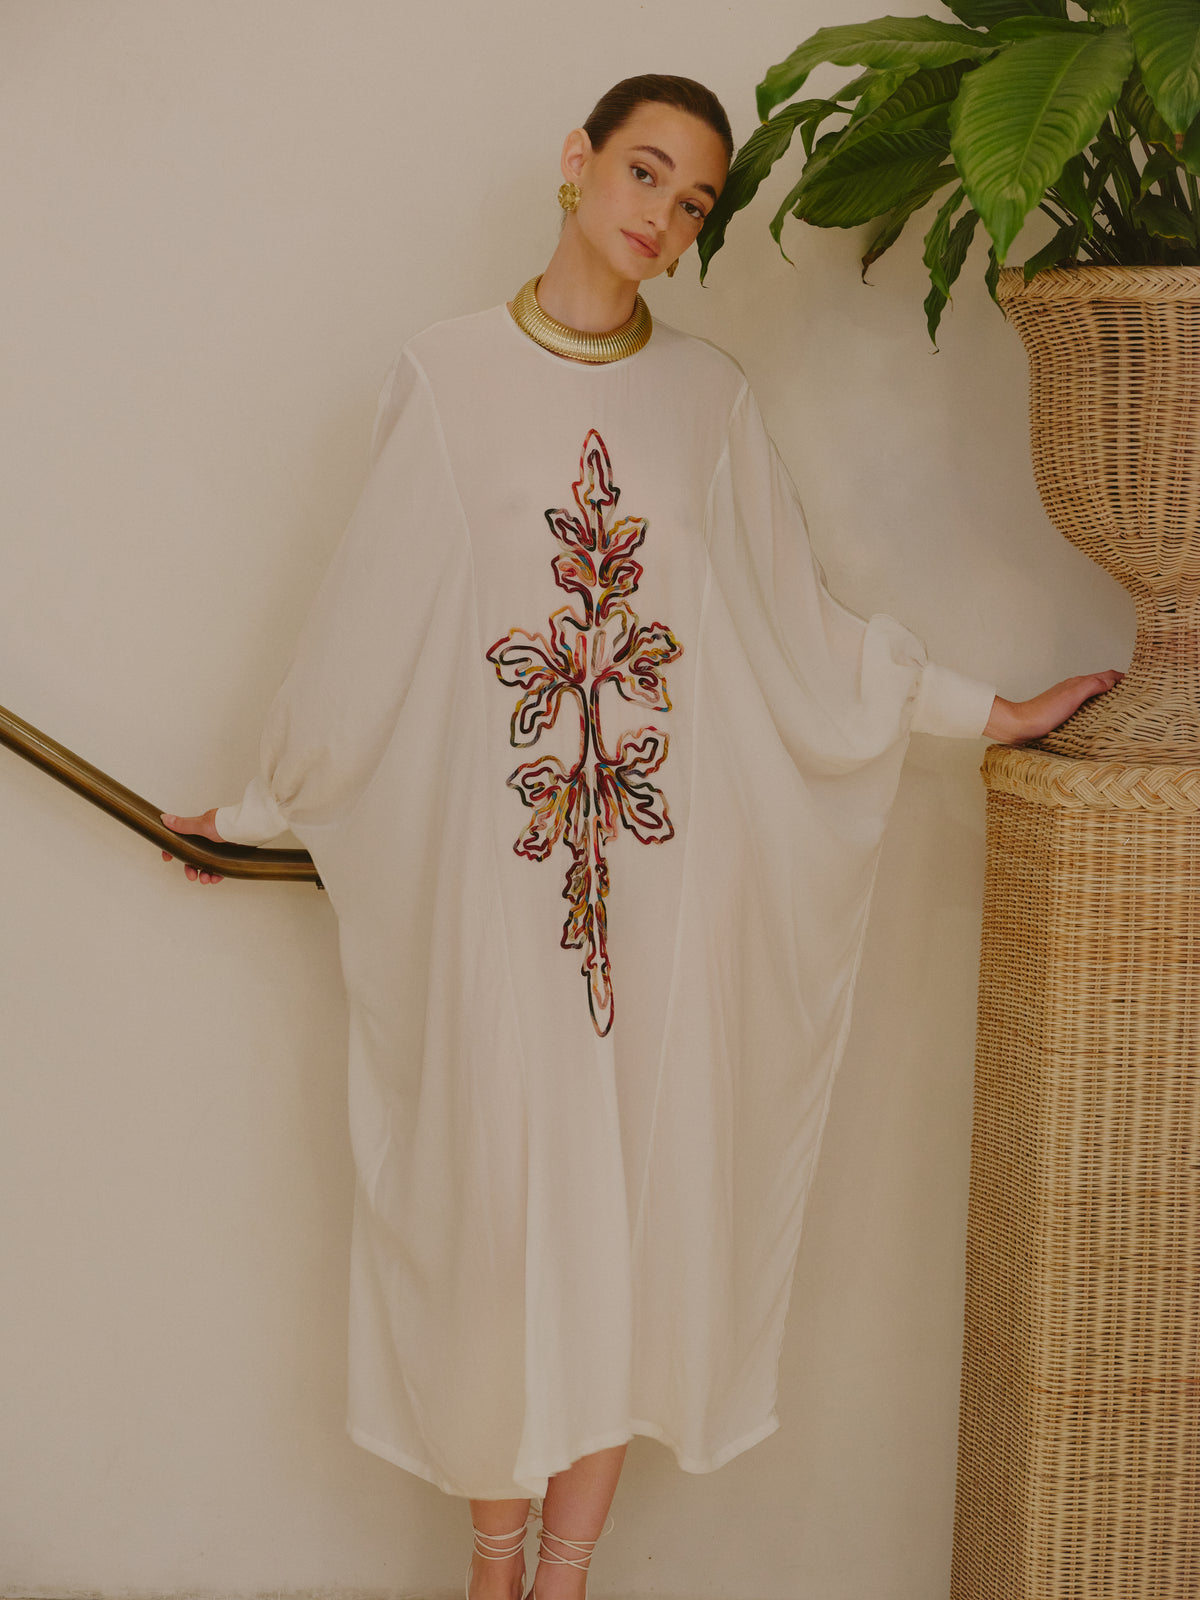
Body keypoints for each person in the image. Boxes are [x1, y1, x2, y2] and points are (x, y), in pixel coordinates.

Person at [161, 75, 1120, 1600]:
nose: (660, 216)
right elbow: (372, 627)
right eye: (644, 172)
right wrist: (266, 810)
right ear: (575, 162)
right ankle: (493, 1565)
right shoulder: (445, 376)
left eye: (690, 202)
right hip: (498, 893)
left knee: (631, 1216)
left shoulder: (711, 402)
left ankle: (568, 1577)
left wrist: (978, 710)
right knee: (497, 1219)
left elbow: (789, 627)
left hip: (662, 900)